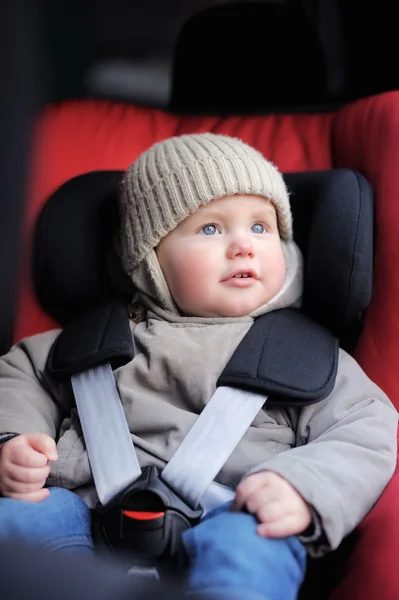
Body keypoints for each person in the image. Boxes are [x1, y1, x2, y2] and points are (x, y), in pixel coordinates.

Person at [0, 133, 397, 600]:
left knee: (252, 550)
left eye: (261, 227)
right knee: (18, 524)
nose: (242, 246)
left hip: (234, 513)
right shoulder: (97, 339)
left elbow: (366, 428)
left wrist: (304, 486)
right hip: (83, 509)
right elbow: (19, 375)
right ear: (149, 260)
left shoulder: (305, 356)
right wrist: (13, 439)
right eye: (211, 229)